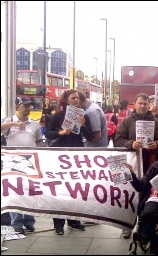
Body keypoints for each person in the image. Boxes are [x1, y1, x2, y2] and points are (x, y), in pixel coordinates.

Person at [114, 93, 158, 238]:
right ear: (134, 104)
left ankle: (143, 225)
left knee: (145, 195)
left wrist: (157, 144)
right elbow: (117, 140)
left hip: (149, 165)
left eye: (145, 103)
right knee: (128, 194)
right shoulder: (127, 121)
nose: (142, 106)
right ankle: (126, 226)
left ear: (149, 105)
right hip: (130, 164)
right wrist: (130, 143)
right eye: (140, 103)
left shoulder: (156, 122)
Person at [45, 89, 94, 235]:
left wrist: (83, 125)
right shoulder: (59, 115)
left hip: (76, 155)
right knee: (60, 189)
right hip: (61, 156)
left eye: (78, 98)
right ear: (66, 100)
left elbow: (90, 136)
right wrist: (60, 132)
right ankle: (59, 223)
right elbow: (47, 132)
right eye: (73, 98)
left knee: (75, 188)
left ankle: (74, 220)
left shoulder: (83, 116)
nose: (76, 100)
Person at [1, 96, 42, 234]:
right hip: (13, 162)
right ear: (18, 107)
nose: (28, 109)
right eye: (25, 106)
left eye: (29, 106)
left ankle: (29, 221)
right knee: (15, 192)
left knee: (30, 192)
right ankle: (16, 223)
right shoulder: (9, 121)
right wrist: (14, 124)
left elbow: (38, 142)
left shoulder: (34, 124)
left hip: (30, 162)